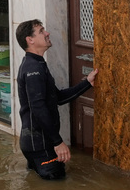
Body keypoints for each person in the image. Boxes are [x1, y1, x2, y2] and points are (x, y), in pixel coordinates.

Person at [16, 18, 98, 180]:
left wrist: (87, 83)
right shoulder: (33, 69)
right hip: (41, 145)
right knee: (58, 188)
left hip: (34, 143)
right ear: (30, 40)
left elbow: (58, 98)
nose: (47, 33)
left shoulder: (36, 64)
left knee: (37, 187)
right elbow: (38, 108)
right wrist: (58, 142)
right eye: (41, 31)